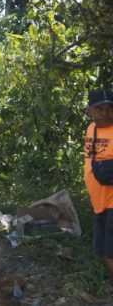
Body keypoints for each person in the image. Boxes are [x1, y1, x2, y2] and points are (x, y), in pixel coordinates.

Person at [84, 88, 113, 290]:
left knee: (110, 251)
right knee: (100, 251)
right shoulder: (90, 129)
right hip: (98, 202)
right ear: (90, 111)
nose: (105, 113)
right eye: (99, 108)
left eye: (109, 108)